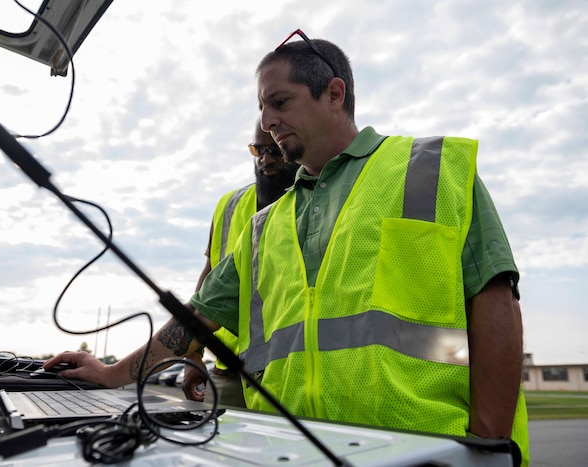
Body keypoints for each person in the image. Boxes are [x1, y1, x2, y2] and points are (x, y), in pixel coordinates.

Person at [46, 31, 529, 466]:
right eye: (261, 107)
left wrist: (487, 443)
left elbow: (495, 302)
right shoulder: (263, 227)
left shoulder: (430, 168)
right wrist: (112, 375)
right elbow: (195, 320)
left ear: (333, 93)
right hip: (291, 448)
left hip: (422, 449)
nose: (267, 120)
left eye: (280, 101)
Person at [182, 122, 299, 408]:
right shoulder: (228, 205)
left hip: (290, 372)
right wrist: (191, 353)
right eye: (258, 149)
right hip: (228, 371)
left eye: (275, 150)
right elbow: (209, 277)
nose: (265, 158)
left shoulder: (313, 200)